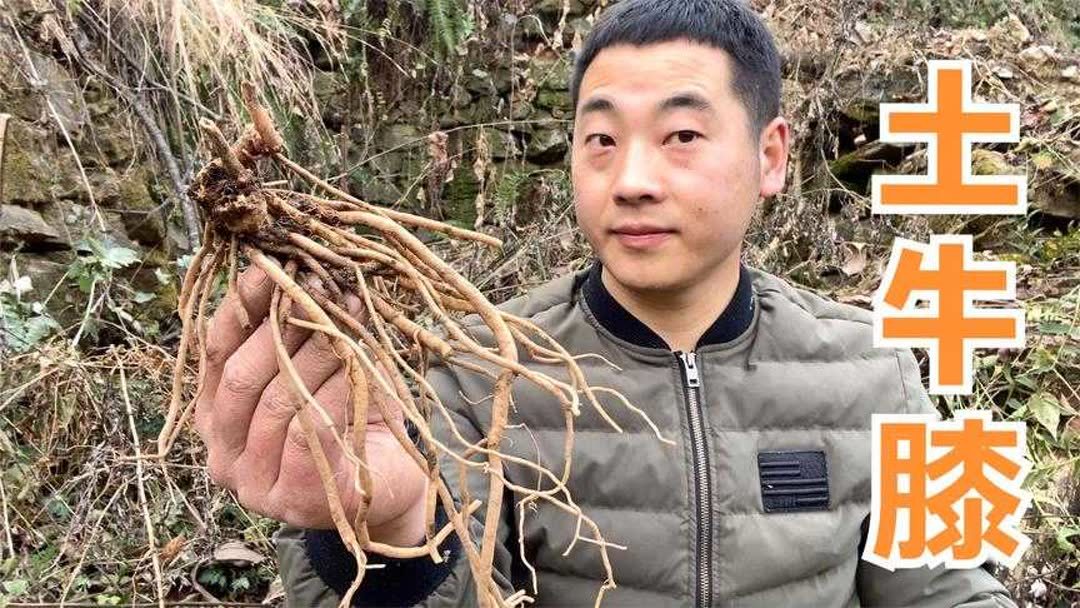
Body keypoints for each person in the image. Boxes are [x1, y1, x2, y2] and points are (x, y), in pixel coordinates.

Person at [195, 0, 1020, 605]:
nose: (631, 180)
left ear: (770, 157)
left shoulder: (876, 367)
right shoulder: (477, 370)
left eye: (682, 137)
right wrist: (382, 539)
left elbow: (947, 587)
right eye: (601, 140)